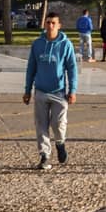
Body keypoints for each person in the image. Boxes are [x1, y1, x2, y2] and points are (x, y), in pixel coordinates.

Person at [23, 13, 78, 170]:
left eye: (53, 23)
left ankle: (60, 144)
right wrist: (27, 90)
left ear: (59, 25)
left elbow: (72, 69)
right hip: (40, 91)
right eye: (48, 22)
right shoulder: (37, 44)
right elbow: (31, 69)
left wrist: (72, 90)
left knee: (58, 124)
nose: (50, 25)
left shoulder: (65, 44)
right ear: (44, 24)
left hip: (59, 92)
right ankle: (44, 155)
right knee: (41, 125)